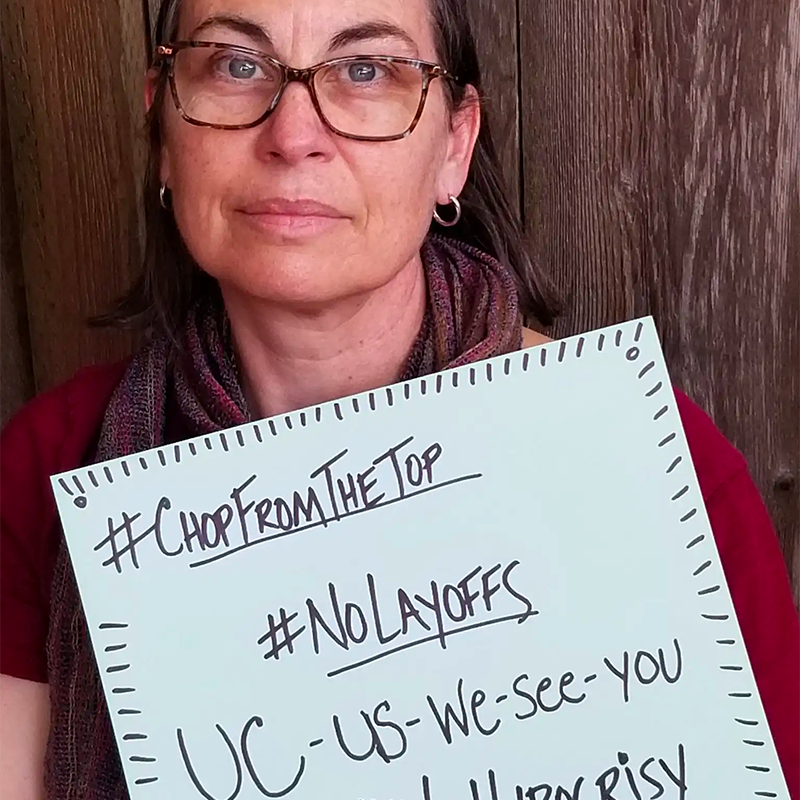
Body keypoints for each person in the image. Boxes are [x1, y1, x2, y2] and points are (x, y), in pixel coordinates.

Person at [1, 0, 799, 797]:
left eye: (365, 70)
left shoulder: (654, 463)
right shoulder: (48, 466)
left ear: (454, 145)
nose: (293, 136)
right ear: (163, 130)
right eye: (237, 65)